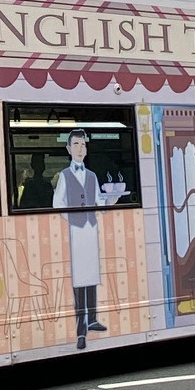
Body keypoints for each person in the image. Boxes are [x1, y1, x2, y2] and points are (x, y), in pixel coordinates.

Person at [52, 128, 125, 349]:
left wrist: (111, 200)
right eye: (76, 144)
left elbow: (99, 203)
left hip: (91, 231)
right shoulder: (64, 176)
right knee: (80, 279)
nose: (80, 148)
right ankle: (80, 329)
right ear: (68, 149)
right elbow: (57, 203)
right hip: (77, 232)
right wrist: (73, 218)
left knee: (92, 276)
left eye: (83, 144)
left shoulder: (92, 175)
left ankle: (92, 319)